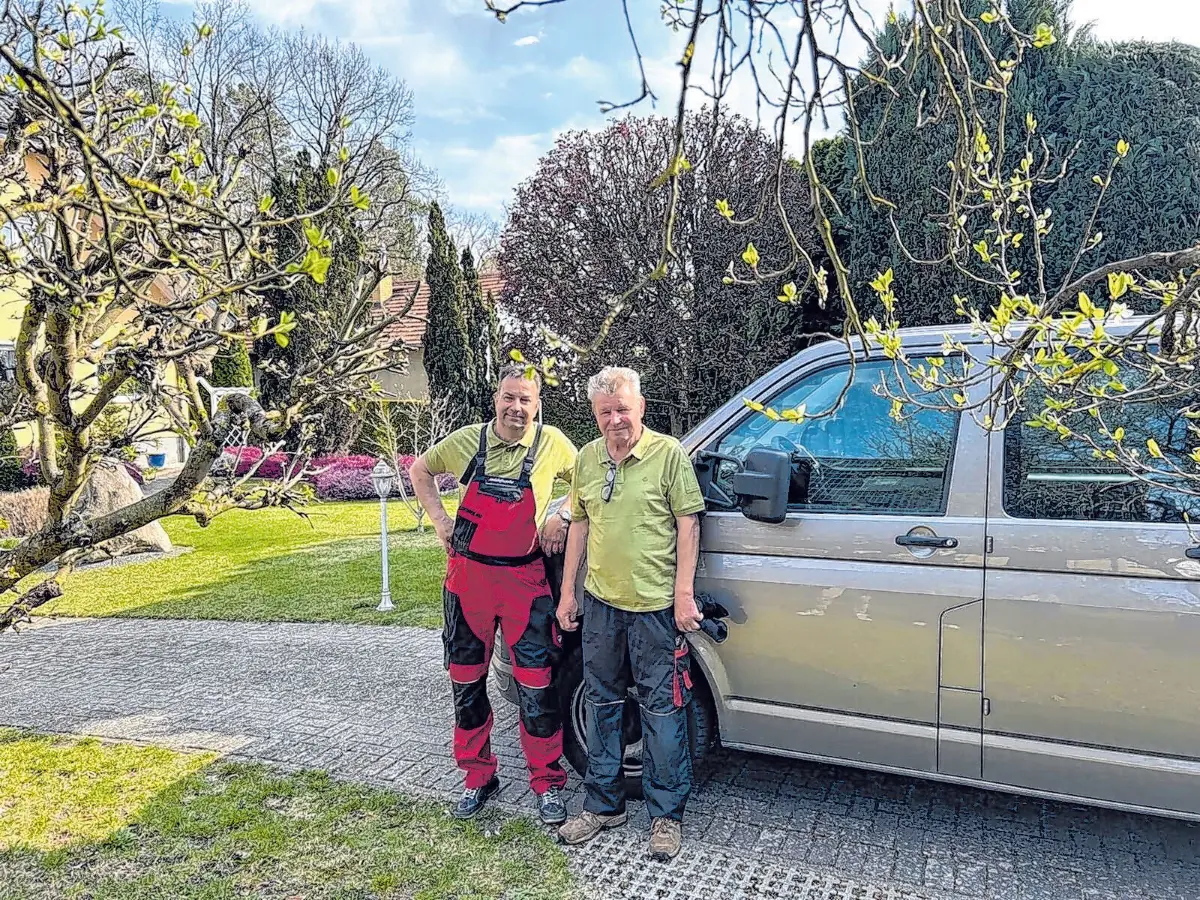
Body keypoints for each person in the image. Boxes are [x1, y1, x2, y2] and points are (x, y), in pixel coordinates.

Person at [409, 364, 577, 824]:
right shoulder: (467, 441)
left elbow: (588, 482)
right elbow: (420, 469)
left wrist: (560, 516)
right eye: (509, 397)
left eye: (526, 399)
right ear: (496, 398)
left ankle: (547, 783)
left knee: (537, 688)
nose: (516, 407)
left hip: (526, 585)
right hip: (469, 584)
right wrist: (441, 522)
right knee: (466, 684)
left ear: (537, 404)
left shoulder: (554, 444)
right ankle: (478, 777)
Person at [555, 365, 705, 862]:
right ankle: (603, 806)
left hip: (655, 609)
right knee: (601, 706)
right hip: (600, 604)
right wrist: (568, 594)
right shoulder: (588, 458)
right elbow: (577, 525)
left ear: (640, 406)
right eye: (605, 412)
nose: (615, 419)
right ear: (595, 416)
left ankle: (666, 815)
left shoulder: (669, 455)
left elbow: (688, 525)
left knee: (662, 711)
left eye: (623, 408)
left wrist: (683, 593)